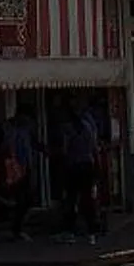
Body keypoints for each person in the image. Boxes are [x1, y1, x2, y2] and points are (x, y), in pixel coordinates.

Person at [59, 100, 107, 242]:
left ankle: (70, 230)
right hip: (87, 165)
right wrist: (97, 166)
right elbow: (94, 148)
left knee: (72, 198)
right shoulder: (87, 126)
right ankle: (91, 230)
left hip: (74, 166)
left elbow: (65, 150)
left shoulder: (67, 129)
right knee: (88, 198)